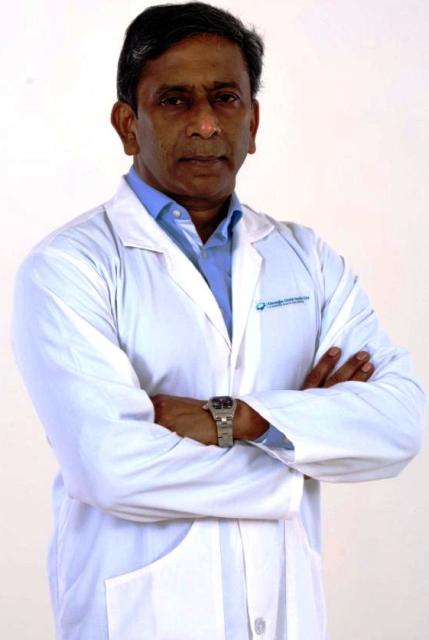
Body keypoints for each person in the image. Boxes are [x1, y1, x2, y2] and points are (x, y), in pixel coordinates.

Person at [11, 3, 425, 640]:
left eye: (225, 98)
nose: (205, 123)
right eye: (175, 100)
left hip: (285, 615)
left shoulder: (307, 259)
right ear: (128, 124)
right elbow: (112, 468)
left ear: (252, 121)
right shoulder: (69, 268)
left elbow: (401, 421)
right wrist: (303, 450)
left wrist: (238, 418)